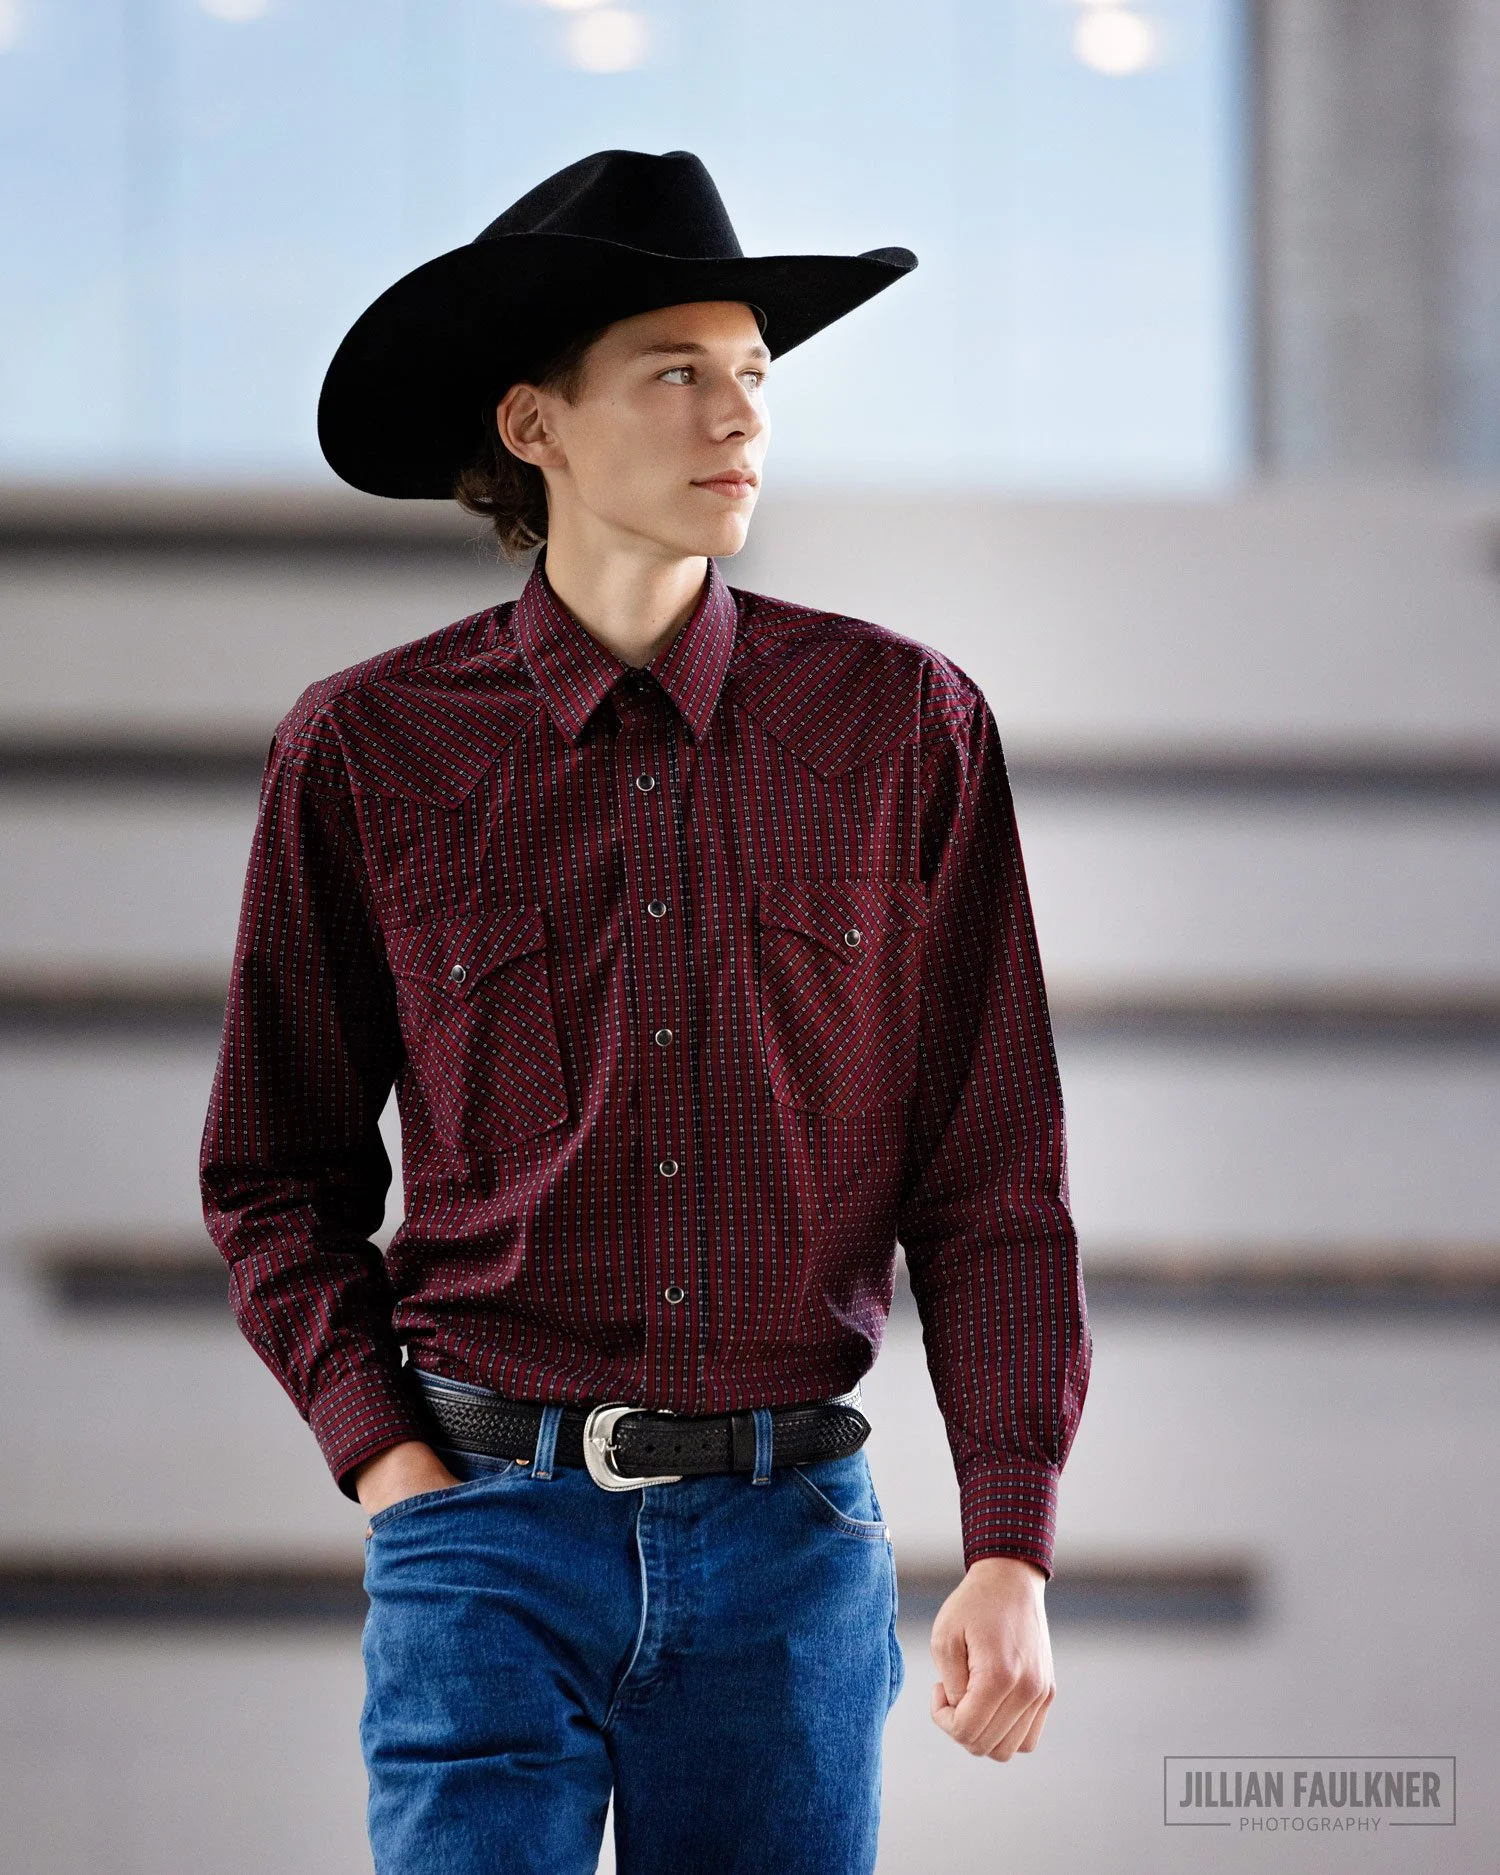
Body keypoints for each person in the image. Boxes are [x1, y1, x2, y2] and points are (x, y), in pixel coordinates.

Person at [200, 147, 1091, 1875]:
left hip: (790, 1551)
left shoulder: (905, 726)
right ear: (533, 425)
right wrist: (389, 1466)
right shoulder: (368, 748)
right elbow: (272, 1172)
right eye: (678, 373)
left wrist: (1010, 1534)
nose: (739, 415)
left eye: (754, 372)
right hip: (483, 1538)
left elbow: (996, 1178)